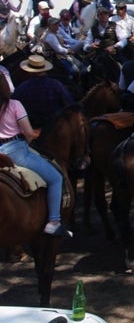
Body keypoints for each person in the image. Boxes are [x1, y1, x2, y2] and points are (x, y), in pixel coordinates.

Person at [0, 76, 71, 237]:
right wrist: (32, 136)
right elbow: (28, 133)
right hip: (15, 150)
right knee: (55, 178)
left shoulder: (22, 88)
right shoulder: (14, 105)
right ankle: (54, 221)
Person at [13, 55, 74, 129]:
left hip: (32, 128)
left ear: (29, 71)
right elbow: (70, 103)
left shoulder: (21, 88)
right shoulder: (56, 85)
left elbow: (15, 110)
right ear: (44, 70)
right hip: (55, 127)